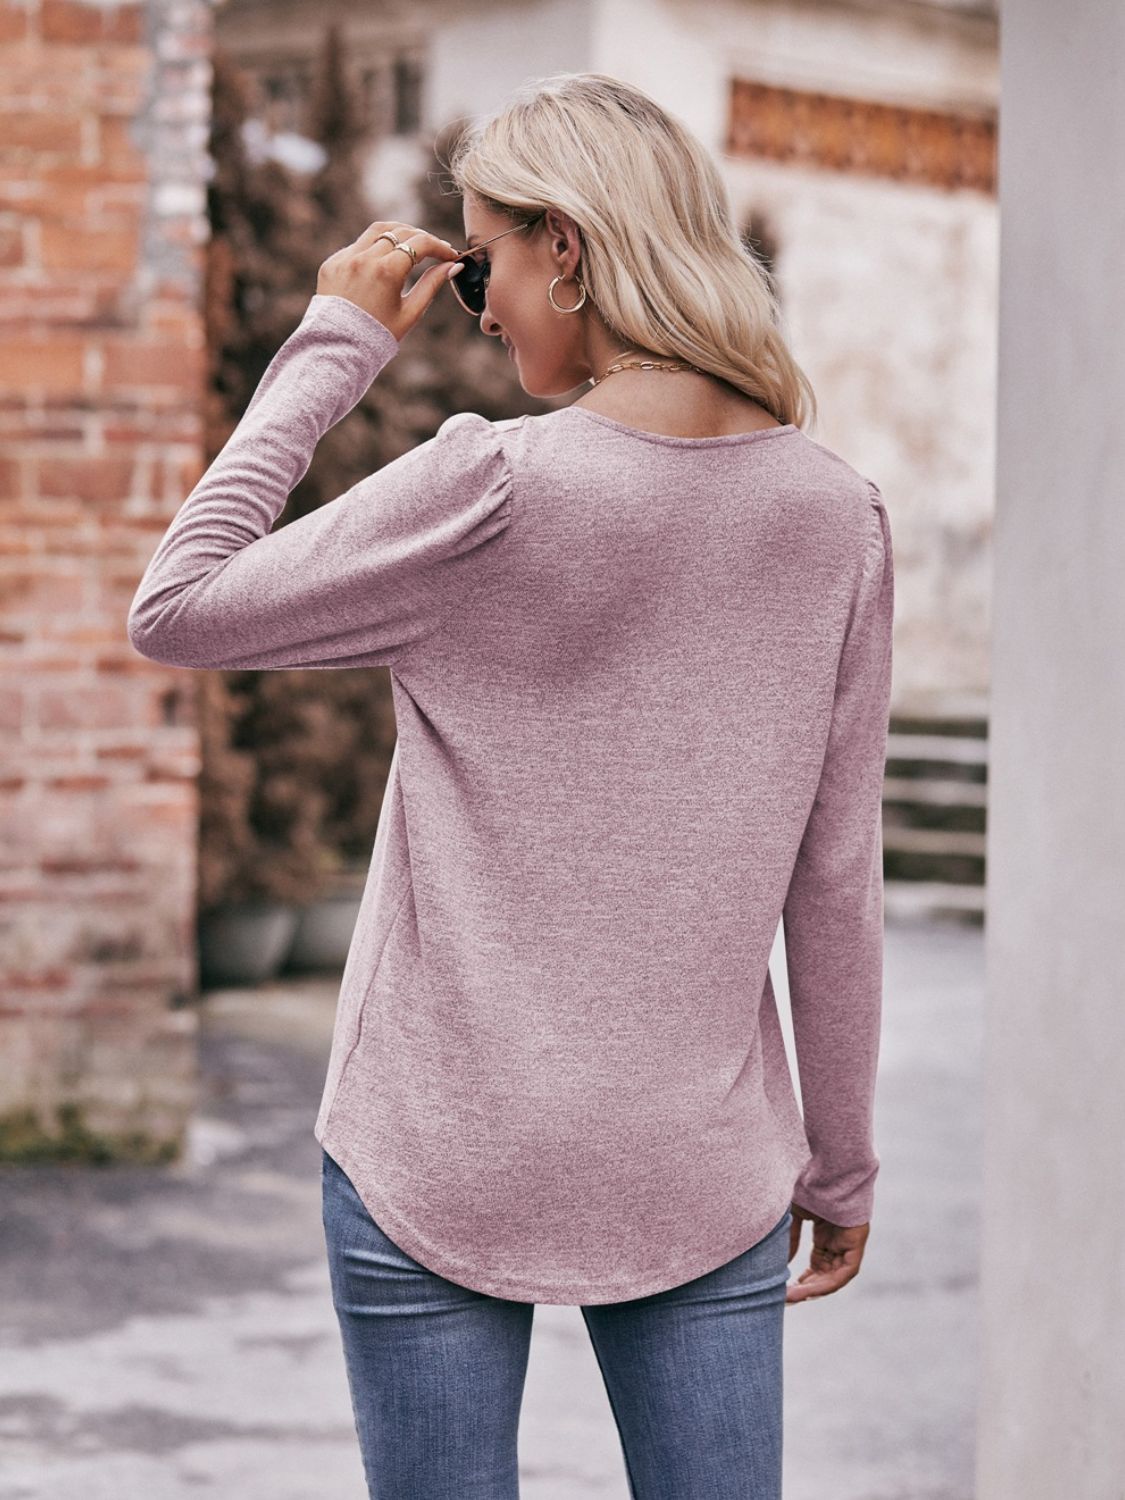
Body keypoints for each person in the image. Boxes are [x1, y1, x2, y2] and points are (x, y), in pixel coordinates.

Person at [127, 70, 894, 1500]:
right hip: (698, 1161)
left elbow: (176, 607)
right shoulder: (833, 517)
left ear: (568, 249)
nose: (478, 312)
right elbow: (835, 879)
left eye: (482, 264)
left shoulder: (486, 486)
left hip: (434, 1144)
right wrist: (839, 1167)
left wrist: (338, 338)